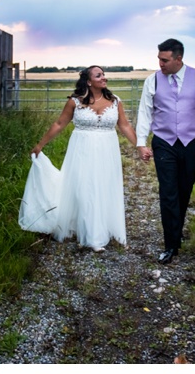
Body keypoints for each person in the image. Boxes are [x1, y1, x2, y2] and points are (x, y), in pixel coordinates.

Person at [24, 65, 137, 252]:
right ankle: (92, 236)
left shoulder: (115, 101)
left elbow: (124, 126)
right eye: (99, 75)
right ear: (88, 81)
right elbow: (59, 124)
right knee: (84, 188)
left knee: (103, 187)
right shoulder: (75, 102)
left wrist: (140, 146)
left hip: (108, 151)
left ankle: (102, 228)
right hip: (82, 150)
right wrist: (40, 145)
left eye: (104, 74)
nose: (104, 78)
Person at [135, 38, 195, 264]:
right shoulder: (152, 81)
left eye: (165, 60)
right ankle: (170, 244)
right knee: (168, 192)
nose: (160, 64)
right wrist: (141, 142)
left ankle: (176, 231)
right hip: (163, 142)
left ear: (178, 58)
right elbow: (144, 112)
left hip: (190, 142)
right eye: (159, 60)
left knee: (184, 190)